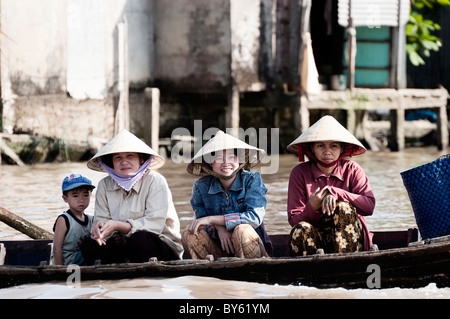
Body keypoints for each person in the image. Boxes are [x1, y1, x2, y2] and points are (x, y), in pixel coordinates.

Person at [80, 129, 183, 264]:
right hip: (123, 247)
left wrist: (118, 225)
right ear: (111, 163)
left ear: (141, 159)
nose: (124, 162)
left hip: (159, 246)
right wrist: (99, 228)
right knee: (89, 244)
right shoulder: (104, 185)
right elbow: (102, 219)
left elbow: (154, 225)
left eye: (130, 156)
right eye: (118, 158)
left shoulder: (155, 181)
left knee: (139, 239)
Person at [286, 115, 375, 256]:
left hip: (351, 241)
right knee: (300, 229)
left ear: (341, 149)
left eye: (333, 146)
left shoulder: (353, 169)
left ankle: (346, 263)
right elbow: (294, 221)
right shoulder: (299, 173)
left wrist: (336, 193)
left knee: (343, 207)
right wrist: (312, 207)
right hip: (316, 241)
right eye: (320, 145)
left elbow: (369, 207)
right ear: (312, 149)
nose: (327, 151)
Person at [182, 130, 272, 259]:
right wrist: (219, 228)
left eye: (231, 157)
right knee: (189, 233)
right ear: (210, 163)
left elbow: (254, 217)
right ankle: (210, 275)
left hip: (252, 249)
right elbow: (201, 222)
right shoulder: (200, 187)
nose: (226, 163)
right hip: (218, 251)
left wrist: (212, 219)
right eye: (218, 158)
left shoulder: (252, 179)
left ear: (239, 159)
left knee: (242, 231)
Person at [52, 173, 95, 266]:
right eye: (75, 196)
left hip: (84, 259)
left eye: (85, 195)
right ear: (65, 198)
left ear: (91, 196)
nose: (81, 200)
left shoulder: (91, 219)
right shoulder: (64, 219)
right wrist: (60, 270)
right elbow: (56, 248)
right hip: (68, 262)